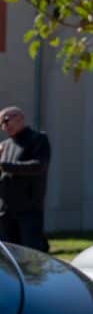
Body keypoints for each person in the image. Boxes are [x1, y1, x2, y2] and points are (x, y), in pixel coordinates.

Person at [0, 106, 51, 251]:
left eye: (6, 121)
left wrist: (4, 165)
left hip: (28, 209)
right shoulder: (6, 145)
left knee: (31, 254)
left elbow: (38, 166)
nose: (4, 127)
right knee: (10, 256)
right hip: (6, 210)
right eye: (1, 124)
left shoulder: (38, 139)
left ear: (20, 118)